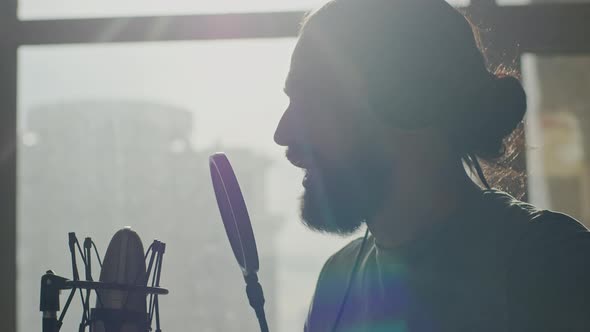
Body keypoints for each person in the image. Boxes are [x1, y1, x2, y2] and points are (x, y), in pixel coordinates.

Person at [273, 0, 590, 331]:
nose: (283, 134)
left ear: (406, 101)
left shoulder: (553, 267)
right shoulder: (336, 282)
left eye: (313, 99)